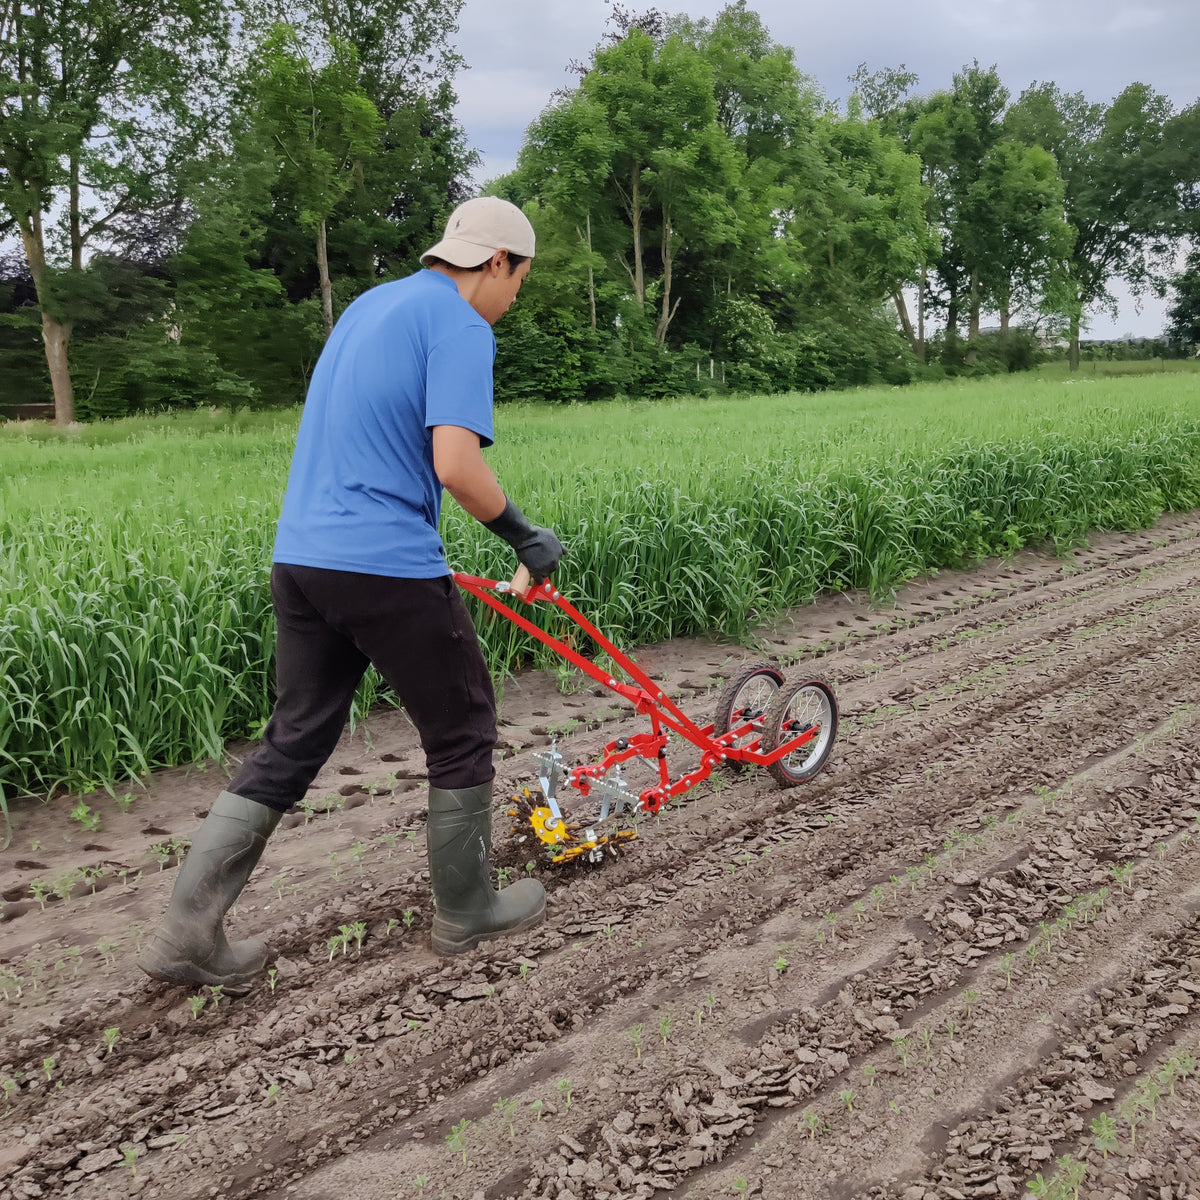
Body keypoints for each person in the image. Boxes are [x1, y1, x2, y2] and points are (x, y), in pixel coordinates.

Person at [138, 196, 563, 995]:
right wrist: (525, 537)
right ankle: (468, 910)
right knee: (464, 723)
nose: (514, 302)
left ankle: (185, 929)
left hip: (301, 559)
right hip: (383, 563)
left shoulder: (373, 305)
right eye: (520, 282)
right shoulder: (462, 325)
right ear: (499, 262)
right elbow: (455, 465)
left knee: (295, 736)